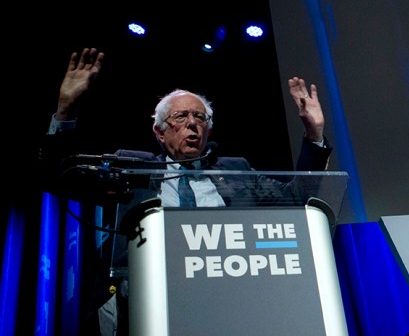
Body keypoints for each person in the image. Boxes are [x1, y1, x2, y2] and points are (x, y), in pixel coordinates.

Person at [38, 47, 333, 335]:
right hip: (141, 302)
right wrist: (66, 110)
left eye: (200, 117)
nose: (192, 124)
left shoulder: (235, 172)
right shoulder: (134, 170)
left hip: (226, 299)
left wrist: (313, 134)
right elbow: (60, 176)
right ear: (160, 132)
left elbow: (297, 200)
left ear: (208, 130)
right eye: (181, 117)